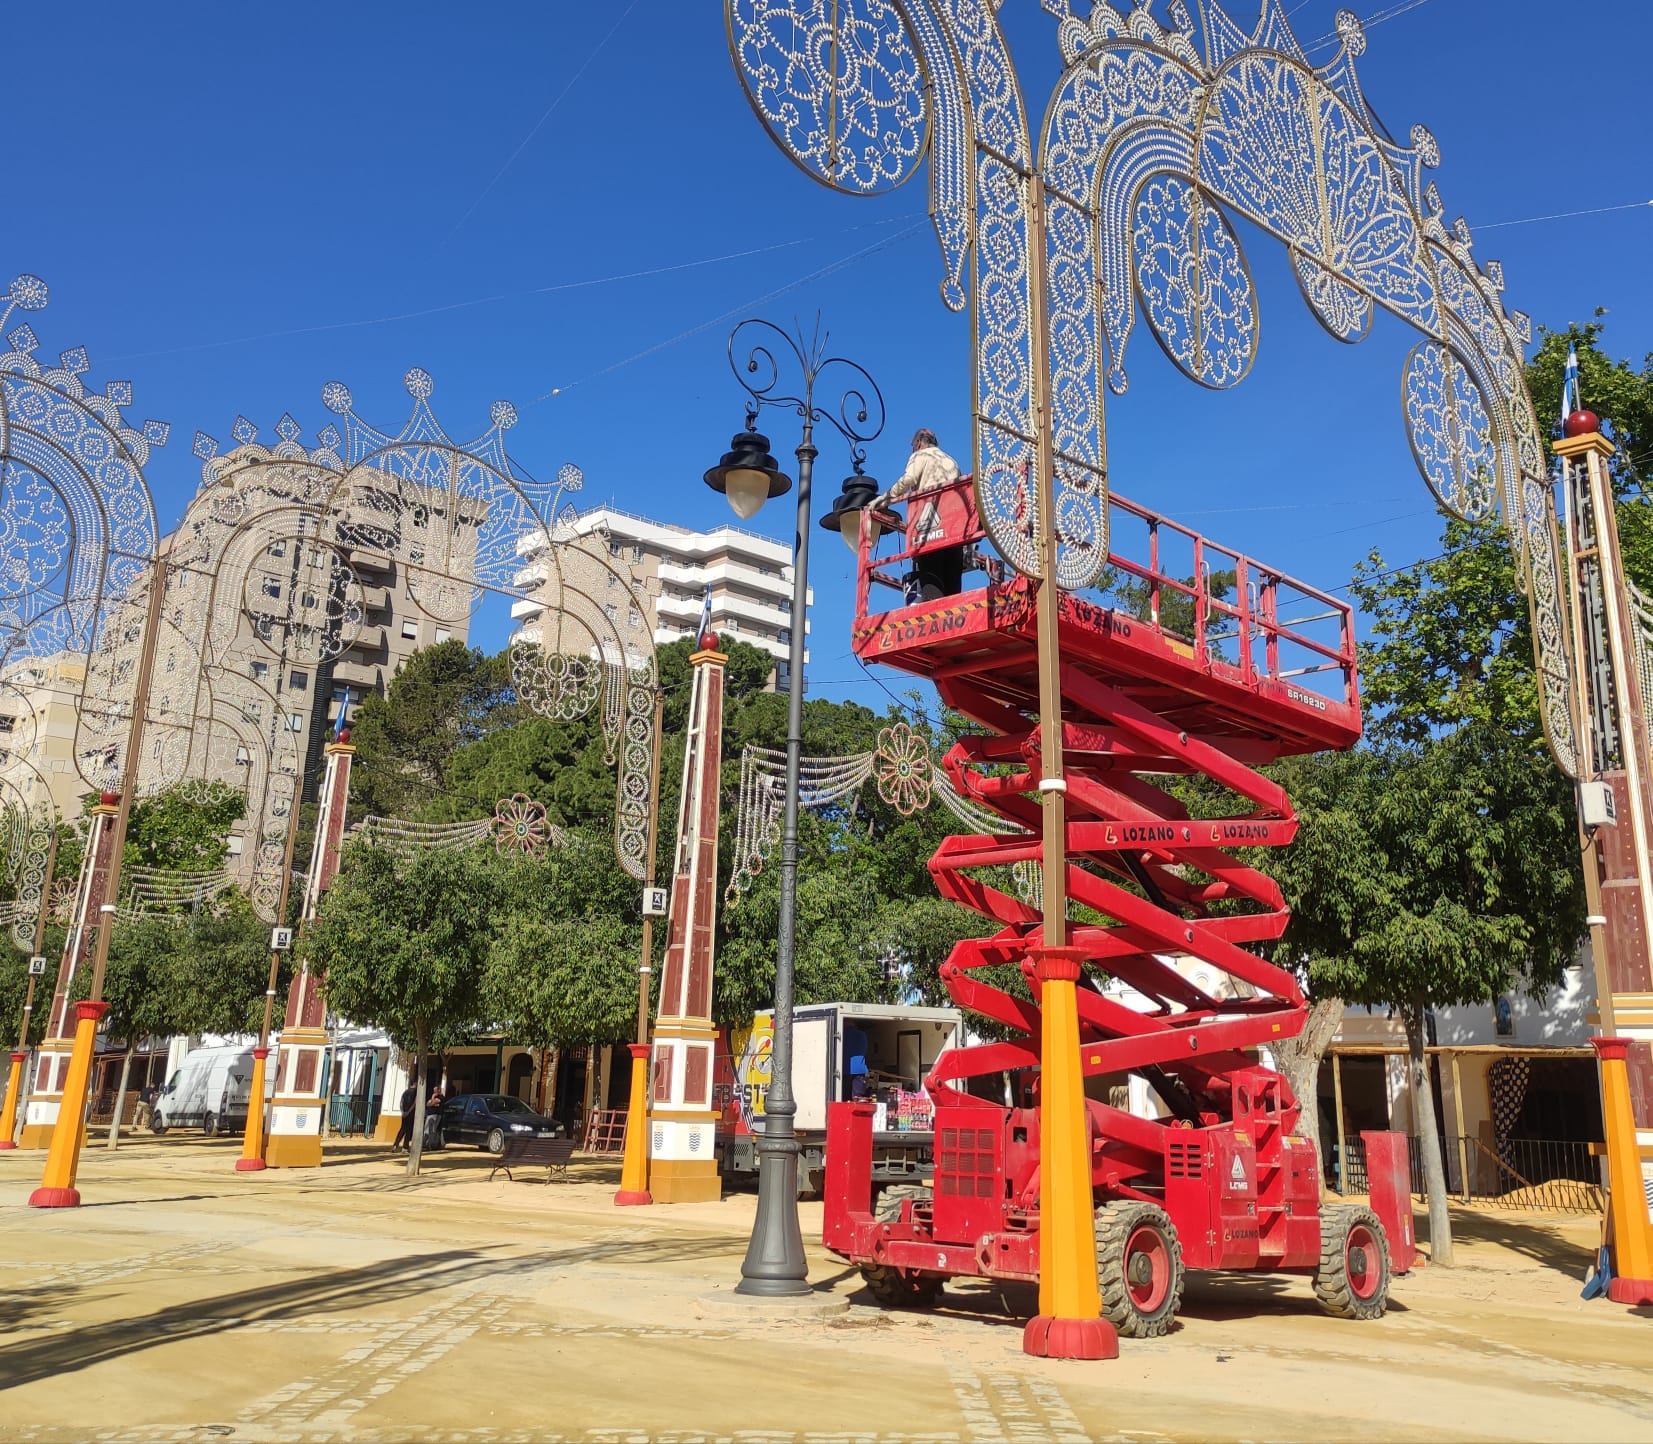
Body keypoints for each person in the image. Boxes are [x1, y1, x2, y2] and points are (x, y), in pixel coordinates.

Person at [873, 429, 965, 602]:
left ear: (919, 443)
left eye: (913, 446)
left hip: (930, 530)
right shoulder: (952, 461)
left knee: (931, 582)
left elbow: (908, 480)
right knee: (952, 589)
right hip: (954, 532)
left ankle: (935, 615)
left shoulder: (921, 455)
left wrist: (883, 500)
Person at [392, 1082, 416, 1151]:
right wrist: (408, 1112)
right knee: (409, 1130)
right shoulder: (415, 1092)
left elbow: (401, 1102)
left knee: (402, 1129)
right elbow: (414, 1103)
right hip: (411, 1114)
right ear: (415, 1084)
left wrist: (402, 1111)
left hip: (404, 1113)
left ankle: (395, 1145)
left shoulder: (405, 1092)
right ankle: (405, 1147)